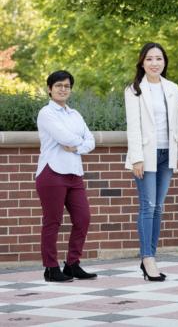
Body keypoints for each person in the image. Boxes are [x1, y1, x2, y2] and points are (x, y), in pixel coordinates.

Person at [125, 42, 178, 281]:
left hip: (167, 155)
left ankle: (151, 256)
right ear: (142, 62)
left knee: (159, 207)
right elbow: (133, 127)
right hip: (146, 156)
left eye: (159, 58)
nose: (154, 63)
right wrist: (137, 159)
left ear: (165, 62)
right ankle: (147, 258)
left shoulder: (171, 88)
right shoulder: (134, 90)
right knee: (148, 206)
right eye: (150, 59)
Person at [36, 70, 97, 282]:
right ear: (50, 89)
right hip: (52, 172)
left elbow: (91, 141)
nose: (63, 89)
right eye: (59, 85)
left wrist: (77, 146)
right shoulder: (46, 113)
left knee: (83, 218)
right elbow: (63, 137)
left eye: (67, 86)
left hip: (74, 173)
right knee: (52, 221)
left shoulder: (75, 114)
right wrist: (79, 141)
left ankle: (72, 264)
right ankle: (51, 268)